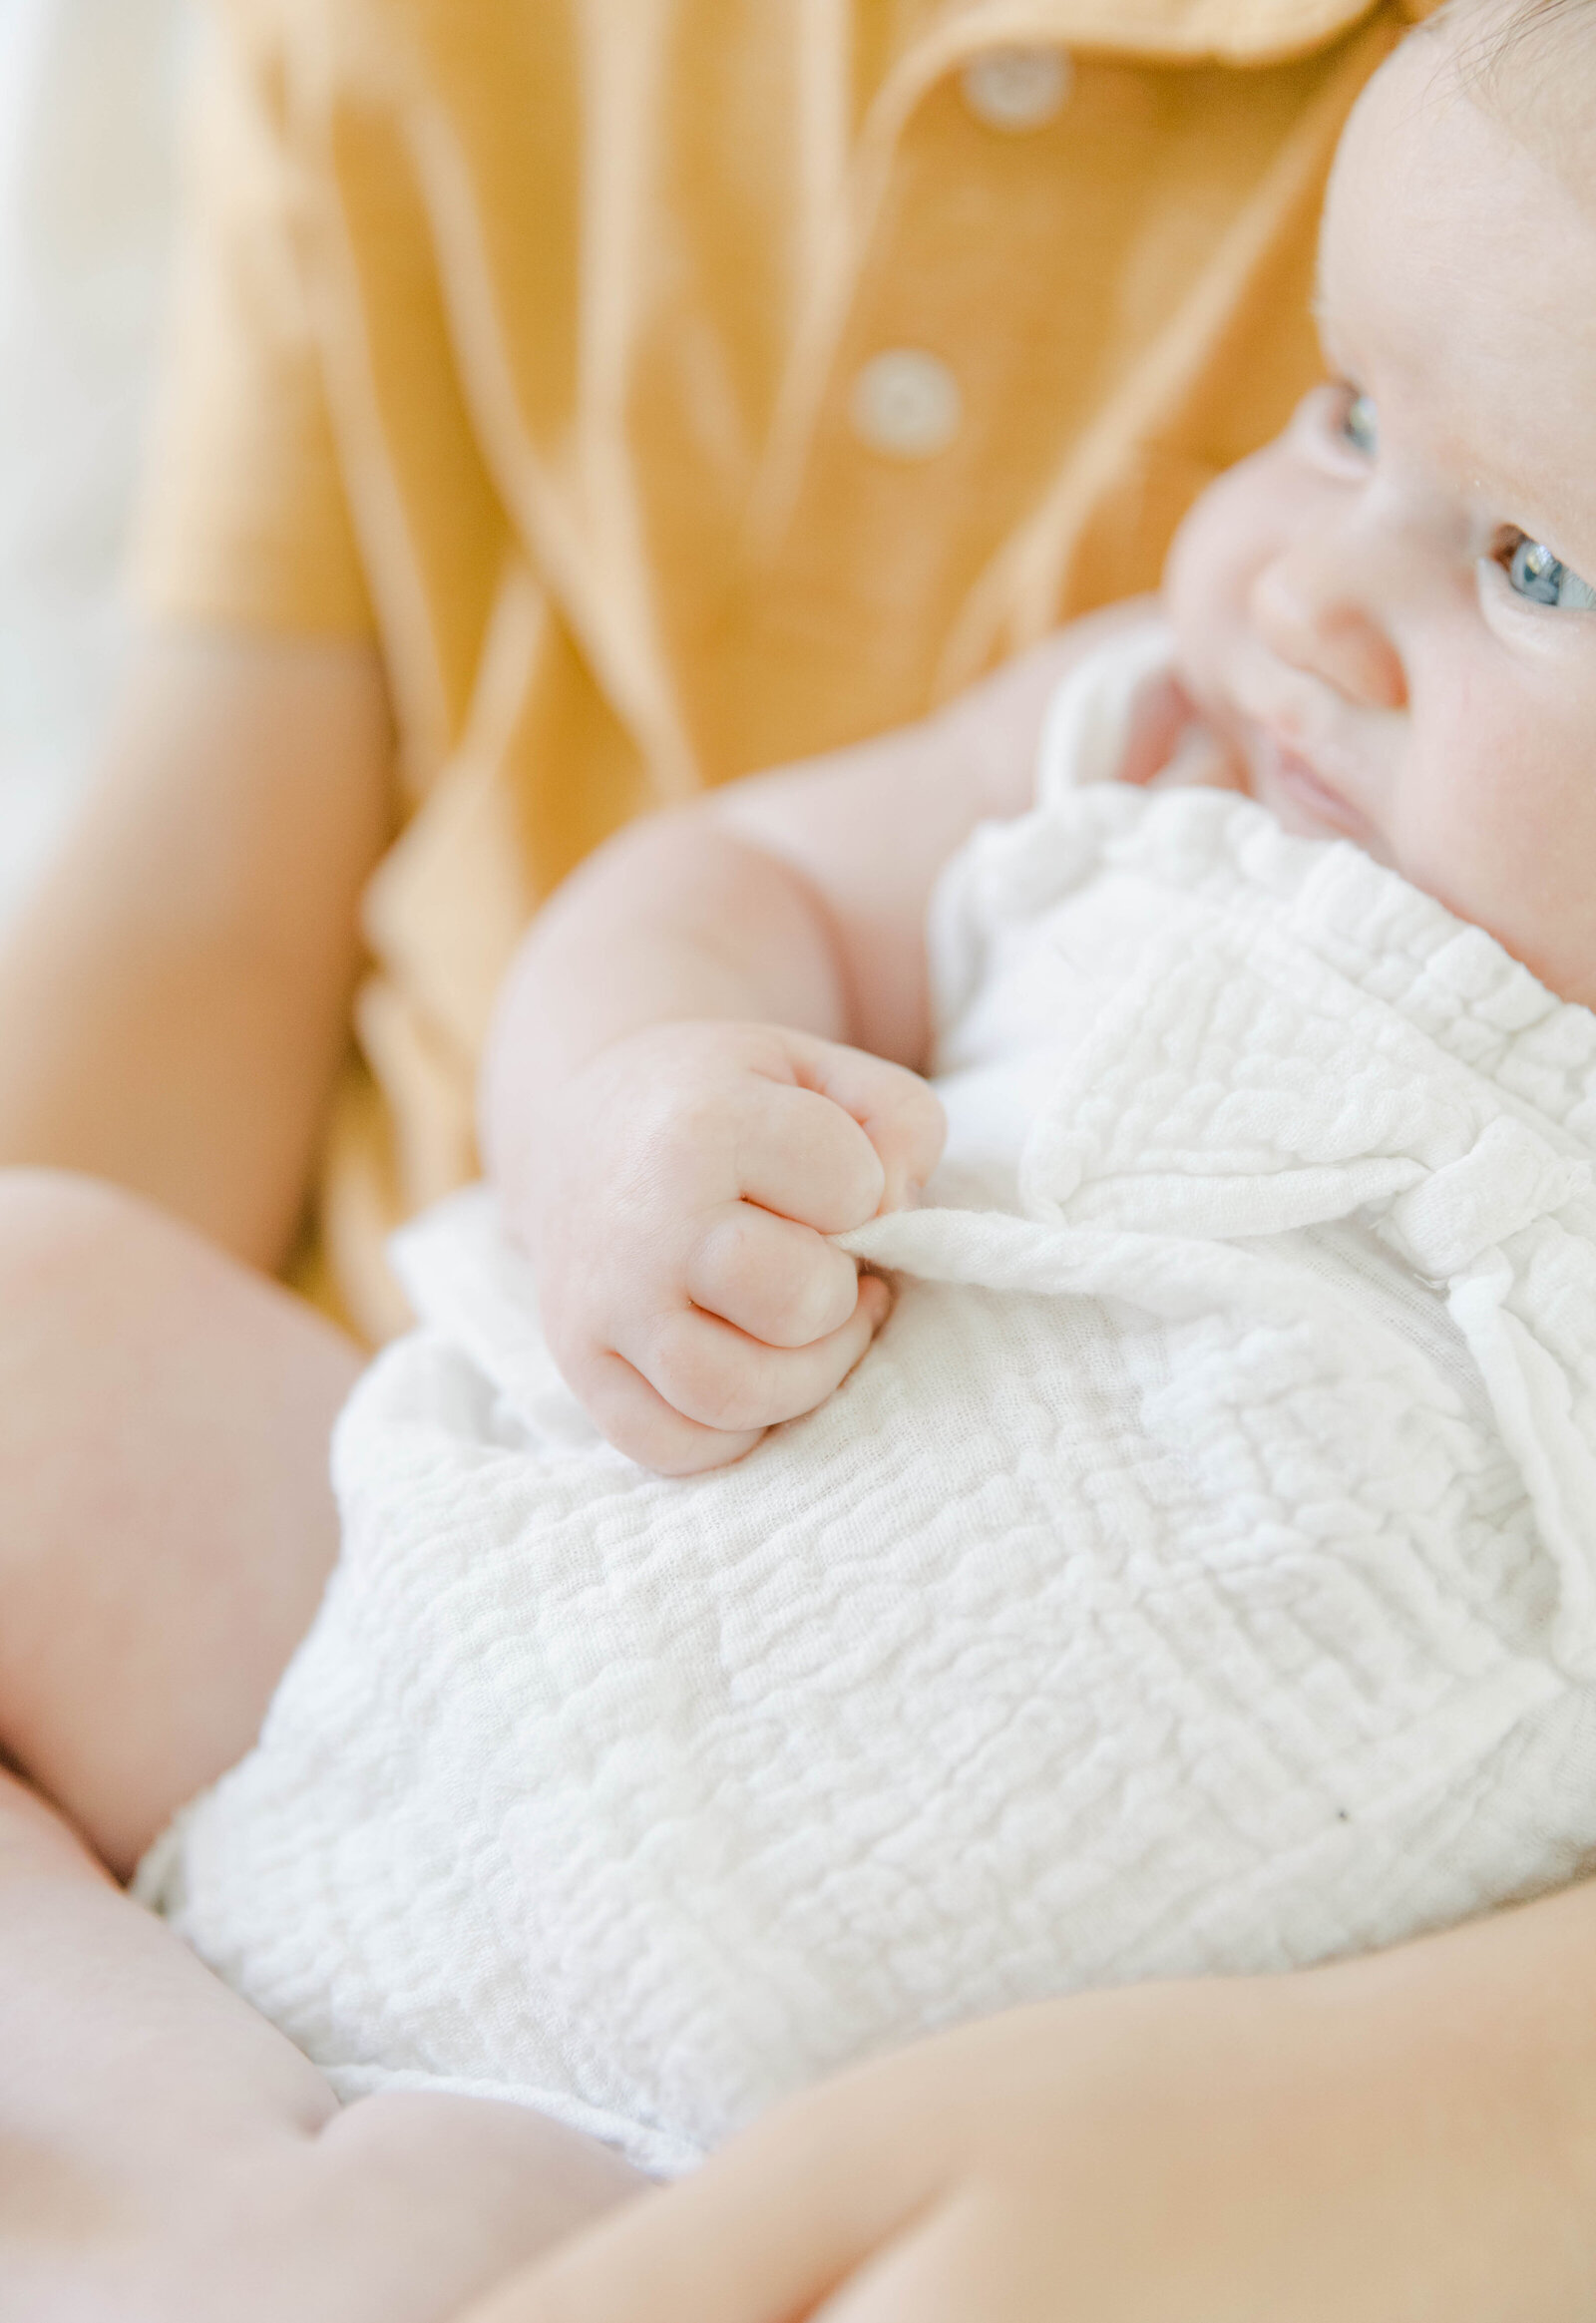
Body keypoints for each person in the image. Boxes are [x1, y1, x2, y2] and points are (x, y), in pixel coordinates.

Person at [4, 4, 1596, 2322]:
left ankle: (312, 2215)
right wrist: (625, 1109)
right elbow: (735, 873)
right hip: (438, 1606)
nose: (1301, 585)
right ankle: (219, 2180)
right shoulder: (1171, 729)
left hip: (944, 2116)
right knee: (37, 1319)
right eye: (1337, 414)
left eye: (1539, 568)